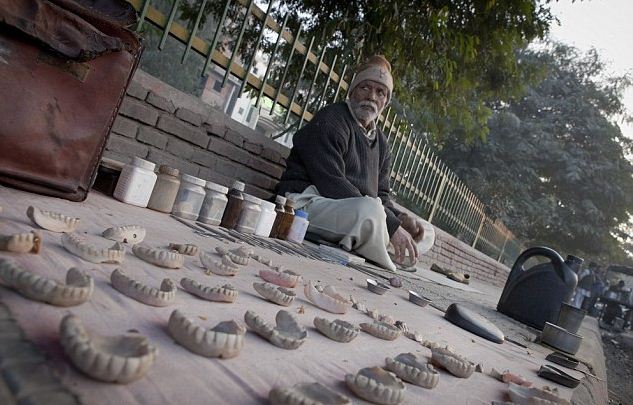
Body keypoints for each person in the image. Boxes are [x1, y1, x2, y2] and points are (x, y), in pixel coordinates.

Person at [277, 55, 424, 271]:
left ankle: (378, 239)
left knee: (425, 230)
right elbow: (331, 184)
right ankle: (384, 252)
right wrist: (391, 225)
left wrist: (399, 219)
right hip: (305, 203)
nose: (372, 96)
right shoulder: (331, 119)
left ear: (386, 101)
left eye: (380, 92)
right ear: (353, 90)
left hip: (352, 211)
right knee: (370, 212)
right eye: (365, 87)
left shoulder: (381, 142)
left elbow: (380, 195)